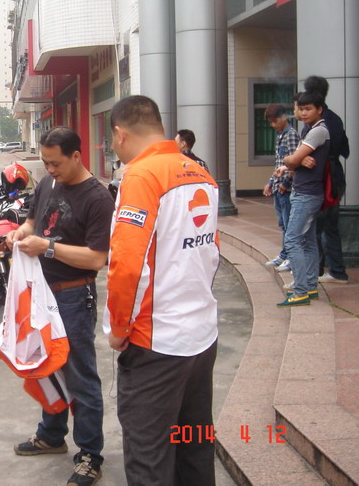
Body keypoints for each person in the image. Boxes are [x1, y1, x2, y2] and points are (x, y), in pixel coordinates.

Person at [106, 95, 220, 485]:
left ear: (120, 133)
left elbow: (127, 265)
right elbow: (210, 254)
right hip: (202, 337)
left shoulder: (141, 176)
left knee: (150, 458)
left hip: (156, 345)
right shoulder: (200, 173)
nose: (114, 149)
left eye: (112, 141)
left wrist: (118, 328)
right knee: (194, 447)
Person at [6, 126, 113, 486]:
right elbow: (32, 221)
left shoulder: (97, 198)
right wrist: (20, 234)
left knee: (80, 376)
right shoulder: (47, 183)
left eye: (56, 163)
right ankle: (51, 435)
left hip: (73, 296)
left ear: (76, 156)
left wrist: (47, 248)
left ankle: (90, 454)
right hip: (40, 292)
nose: (50, 170)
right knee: (46, 367)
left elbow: (97, 258)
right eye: (46, 163)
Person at [276, 90, 331, 306]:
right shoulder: (309, 130)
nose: (303, 113)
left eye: (308, 109)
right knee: (308, 241)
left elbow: (291, 160)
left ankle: (300, 291)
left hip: (307, 194)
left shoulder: (318, 131)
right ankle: (310, 286)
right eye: (301, 109)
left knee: (292, 240)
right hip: (305, 192)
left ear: (319, 109)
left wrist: (293, 160)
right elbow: (294, 163)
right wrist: (296, 161)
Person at [303, 76, 350, 284]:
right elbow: (345, 150)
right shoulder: (335, 119)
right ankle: (335, 270)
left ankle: (318, 271)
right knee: (329, 225)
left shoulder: (317, 125)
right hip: (335, 176)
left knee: (315, 226)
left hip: (322, 177)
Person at [262, 104, 300, 273]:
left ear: (283, 117)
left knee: (289, 225)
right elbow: (279, 163)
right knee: (283, 224)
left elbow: (294, 163)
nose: (273, 125)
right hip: (279, 187)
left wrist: (286, 184)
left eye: (274, 121)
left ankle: (290, 257)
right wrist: (271, 182)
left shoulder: (291, 135)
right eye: (270, 122)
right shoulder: (280, 135)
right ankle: (284, 254)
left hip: (287, 189)